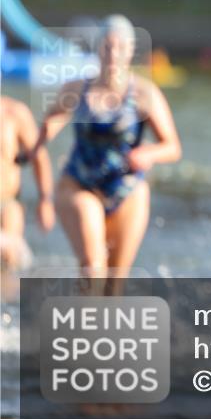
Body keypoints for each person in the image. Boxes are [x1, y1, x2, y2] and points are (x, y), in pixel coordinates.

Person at [34, 16, 182, 292]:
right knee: (93, 266)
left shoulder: (144, 93)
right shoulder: (77, 88)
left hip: (127, 189)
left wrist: (149, 153)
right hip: (80, 183)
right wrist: (36, 145)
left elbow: (172, 146)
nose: (112, 55)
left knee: (114, 284)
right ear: (98, 49)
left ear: (129, 52)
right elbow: (51, 119)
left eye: (119, 48)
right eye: (106, 47)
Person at [1, 96, 55, 270]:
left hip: (6, 202)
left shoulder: (14, 112)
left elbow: (39, 157)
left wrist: (45, 200)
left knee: (9, 260)